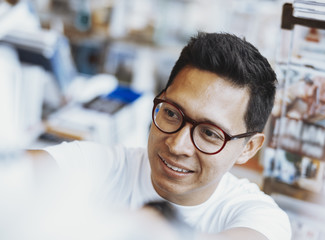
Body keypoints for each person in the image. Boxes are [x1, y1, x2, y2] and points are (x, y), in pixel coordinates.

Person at [30, 32, 291, 240]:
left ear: (248, 147)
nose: (177, 145)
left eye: (210, 133)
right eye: (172, 113)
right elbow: (17, 172)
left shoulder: (258, 215)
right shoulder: (105, 165)